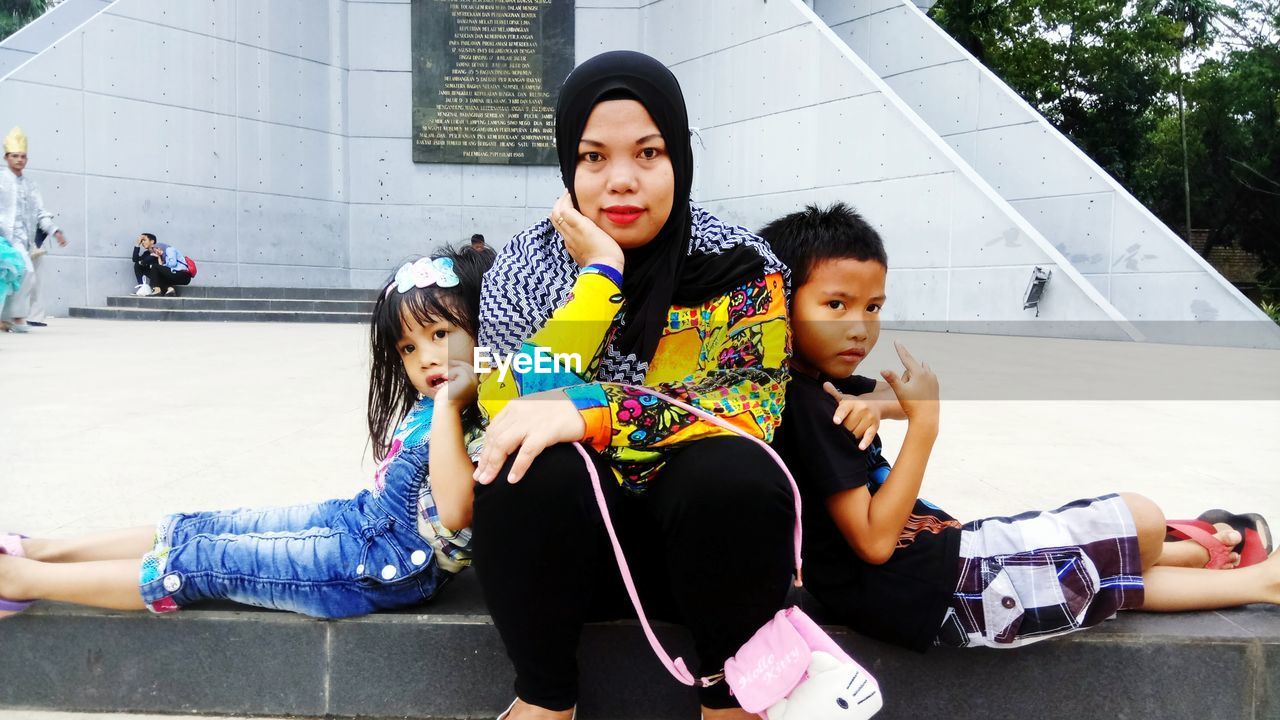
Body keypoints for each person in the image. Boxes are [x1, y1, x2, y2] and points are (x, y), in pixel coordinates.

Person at [762, 202, 1280, 653]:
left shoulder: (801, 390)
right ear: (777, 304)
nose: (859, 326)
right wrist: (925, 424)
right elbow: (875, 541)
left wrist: (888, 406)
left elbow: (888, 396)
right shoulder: (811, 412)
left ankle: (1250, 576)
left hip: (936, 585)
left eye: (873, 307)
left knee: (1116, 580)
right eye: (836, 305)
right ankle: (1207, 548)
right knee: (1141, 515)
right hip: (947, 584)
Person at [472, 51, 795, 720]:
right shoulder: (525, 264)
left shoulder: (735, 262)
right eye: (594, 158)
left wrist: (592, 410)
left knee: (733, 474)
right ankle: (545, 699)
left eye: (647, 154)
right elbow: (499, 405)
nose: (621, 181)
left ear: (678, 155)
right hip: (567, 563)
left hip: (704, 560)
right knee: (523, 463)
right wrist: (600, 278)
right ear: (569, 164)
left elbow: (750, 409)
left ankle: (731, 699)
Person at [0, 247, 492, 619]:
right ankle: (40, 548)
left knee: (200, 560)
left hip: (385, 567)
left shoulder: (478, 415)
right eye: (408, 348)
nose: (424, 356)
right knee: (204, 525)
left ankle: (22, 578)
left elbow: (454, 510)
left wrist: (452, 404)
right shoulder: (435, 404)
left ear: (483, 327)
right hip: (360, 523)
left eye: (440, 334)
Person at [0, 127, 66, 333]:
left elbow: (40, 213)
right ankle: (14, 317)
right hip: (3, 237)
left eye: (22, 156)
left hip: (20, 240)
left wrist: (55, 231)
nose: (19, 159)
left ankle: (11, 317)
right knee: (16, 273)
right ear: (6, 157)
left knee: (22, 273)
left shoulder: (30, 185)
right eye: (15, 156)